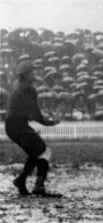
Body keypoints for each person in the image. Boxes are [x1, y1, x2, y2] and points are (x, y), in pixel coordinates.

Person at [5, 61, 61, 197]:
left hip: (12, 125)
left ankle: (22, 181)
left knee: (36, 153)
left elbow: (23, 111)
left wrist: (41, 120)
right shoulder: (29, 89)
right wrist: (47, 122)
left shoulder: (17, 86)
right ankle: (37, 186)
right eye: (32, 72)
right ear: (26, 75)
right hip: (19, 126)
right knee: (44, 151)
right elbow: (35, 112)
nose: (35, 74)